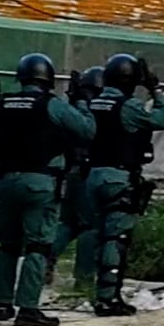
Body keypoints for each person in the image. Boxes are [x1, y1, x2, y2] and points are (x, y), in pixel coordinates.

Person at [0, 53, 95, 326]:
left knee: (7, 245)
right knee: (37, 246)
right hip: (40, 182)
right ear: (49, 79)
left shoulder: (3, 105)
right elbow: (87, 130)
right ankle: (28, 309)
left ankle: (2, 305)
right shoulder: (52, 105)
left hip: (5, 182)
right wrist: (81, 100)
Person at [86, 53, 164, 317]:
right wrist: (155, 90)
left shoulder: (93, 102)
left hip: (93, 175)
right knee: (116, 238)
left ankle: (98, 291)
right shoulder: (128, 106)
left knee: (99, 236)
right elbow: (163, 119)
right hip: (118, 176)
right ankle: (108, 298)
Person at [50, 66, 105, 298]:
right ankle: (83, 280)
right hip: (87, 172)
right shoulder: (96, 109)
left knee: (67, 223)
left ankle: (44, 259)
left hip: (71, 172)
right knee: (89, 227)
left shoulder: (72, 107)